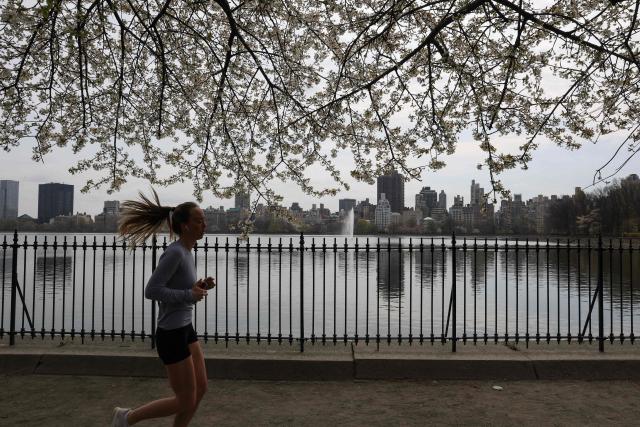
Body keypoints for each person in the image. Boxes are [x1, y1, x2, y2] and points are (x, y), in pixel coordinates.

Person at [111, 189, 215, 427]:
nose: (204, 225)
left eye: (204, 220)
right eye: (199, 221)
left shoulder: (188, 251)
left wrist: (198, 286)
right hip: (171, 333)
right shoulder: (175, 252)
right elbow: (152, 290)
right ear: (186, 225)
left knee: (201, 389)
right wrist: (189, 294)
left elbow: (177, 288)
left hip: (185, 328)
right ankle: (126, 418)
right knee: (184, 399)